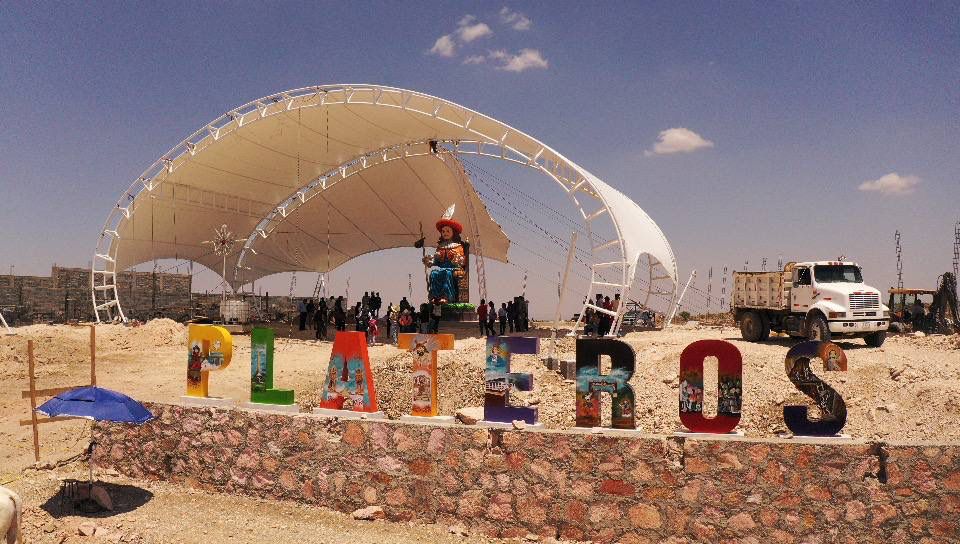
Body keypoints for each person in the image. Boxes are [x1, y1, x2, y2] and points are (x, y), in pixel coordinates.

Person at [422, 204, 467, 304]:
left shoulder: (458, 246)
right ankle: (434, 297)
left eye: (447, 231)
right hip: (442, 268)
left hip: (452, 269)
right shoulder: (440, 246)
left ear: (453, 232)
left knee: (446, 273)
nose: (445, 233)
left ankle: (446, 297)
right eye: (443, 231)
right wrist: (430, 261)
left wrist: (457, 260)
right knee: (434, 273)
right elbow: (437, 261)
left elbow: (462, 260)